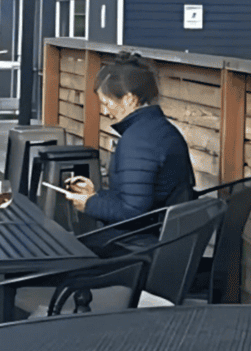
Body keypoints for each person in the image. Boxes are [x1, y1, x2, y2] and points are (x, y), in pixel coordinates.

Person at [65, 51, 195, 232]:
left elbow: (133, 213)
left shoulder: (138, 141)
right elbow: (136, 198)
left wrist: (89, 204)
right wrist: (96, 196)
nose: (104, 111)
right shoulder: (162, 129)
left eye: (106, 103)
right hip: (166, 235)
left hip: (141, 243)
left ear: (129, 99)